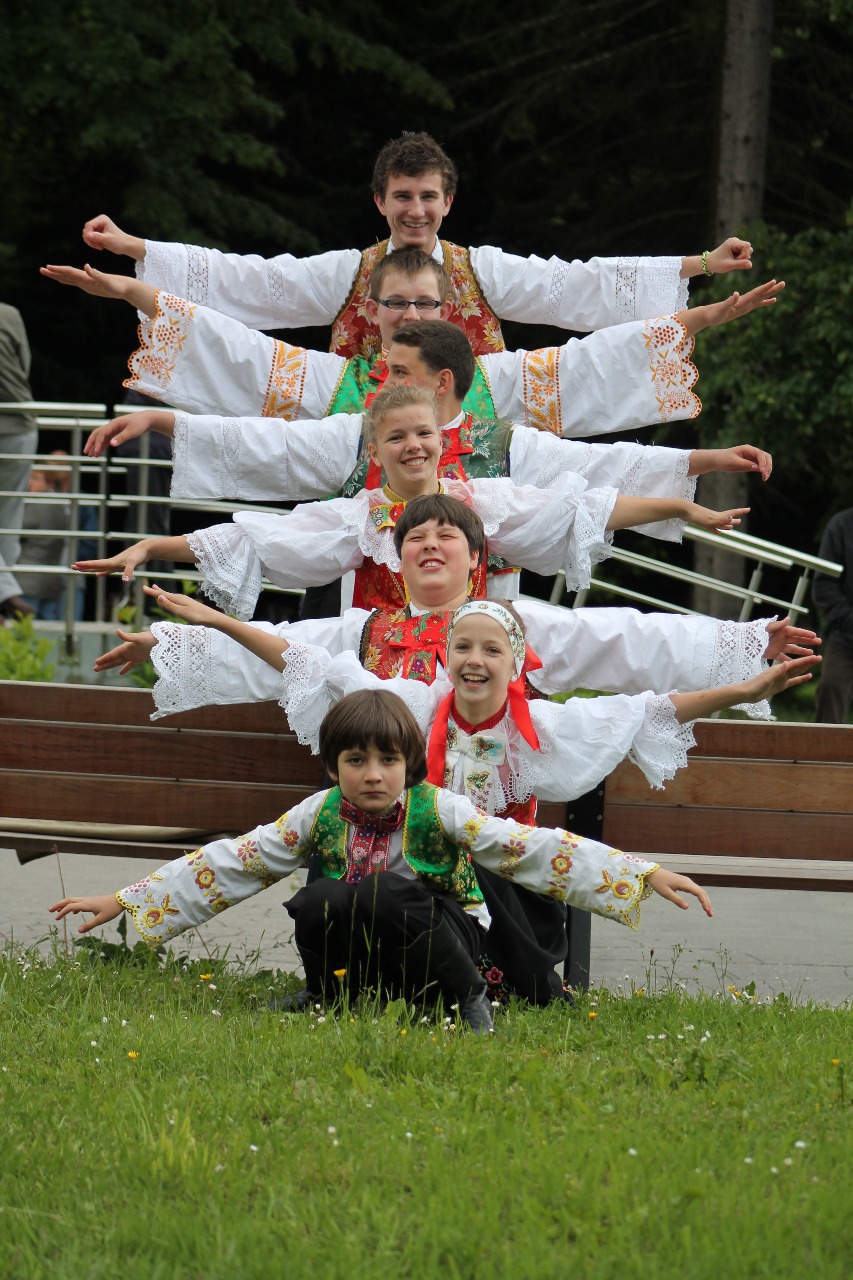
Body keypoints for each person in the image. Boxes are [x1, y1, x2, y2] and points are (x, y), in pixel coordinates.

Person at [139, 585, 816, 1004]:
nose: (474, 660)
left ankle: (492, 986)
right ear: (446, 656)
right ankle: (339, 989)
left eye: (492, 650)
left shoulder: (539, 729)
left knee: (467, 856)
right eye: (462, 646)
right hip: (406, 882)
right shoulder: (410, 707)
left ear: (515, 663)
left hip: (503, 894)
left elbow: (646, 711)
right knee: (343, 875)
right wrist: (220, 624)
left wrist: (743, 690)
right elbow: (305, 662)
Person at [49, 687, 715, 1032]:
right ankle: (329, 994)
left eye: (387, 760)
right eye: (356, 760)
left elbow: (534, 849)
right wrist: (125, 901)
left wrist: (641, 873)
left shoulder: (442, 809)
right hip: (372, 959)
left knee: (391, 891)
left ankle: (470, 1001)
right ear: (333, 766)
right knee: (318, 897)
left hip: (443, 947)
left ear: (410, 764)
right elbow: (234, 863)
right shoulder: (318, 813)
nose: (372, 774)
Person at [91, 495, 820, 727]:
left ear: (478, 561)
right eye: (415, 538)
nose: (430, 544)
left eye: (448, 536)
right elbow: (280, 645)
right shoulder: (363, 629)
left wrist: (744, 642)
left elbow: (625, 638)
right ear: (398, 559)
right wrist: (165, 642)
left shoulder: (512, 624)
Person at [71, 385, 751, 617]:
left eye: (424, 434)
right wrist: (151, 546)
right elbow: (259, 539)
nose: (414, 447)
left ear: (441, 438)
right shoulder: (361, 516)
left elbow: (581, 509)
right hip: (380, 668)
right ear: (376, 449)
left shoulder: (477, 501)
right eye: (396, 437)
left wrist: (676, 507)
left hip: (466, 670)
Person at [77, 130, 757, 358]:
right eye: (402, 196)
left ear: (448, 202)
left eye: (428, 196)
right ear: (380, 201)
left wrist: (700, 263)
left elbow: (578, 284)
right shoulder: (346, 273)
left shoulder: (483, 271)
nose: (416, 210)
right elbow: (251, 281)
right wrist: (137, 248)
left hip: (468, 464)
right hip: (367, 464)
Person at [40, 251, 784, 444]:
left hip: (470, 575)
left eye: (424, 304)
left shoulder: (491, 380)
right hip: (367, 577)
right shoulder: (339, 381)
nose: (409, 315)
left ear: (448, 308)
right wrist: (133, 286)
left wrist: (701, 312)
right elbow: (236, 341)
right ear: (371, 311)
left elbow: (593, 354)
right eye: (396, 304)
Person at [0, 302, 38, 620]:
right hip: (20, 421)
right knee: (9, 518)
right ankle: (5, 595)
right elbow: (23, 365)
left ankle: (6, 593)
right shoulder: (9, 314)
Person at [812, 506, 853, 723]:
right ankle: (823, 745)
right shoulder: (841, 525)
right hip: (846, 637)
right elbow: (823, 586)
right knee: (831, 687)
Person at [16, 468, 72, 620]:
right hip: (52, 578)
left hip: (28, 577)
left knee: (26, 626)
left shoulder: (36, 504)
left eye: (35, 478)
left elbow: (16, 529)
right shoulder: (61, 505)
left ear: (49, 482)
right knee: (49, 626)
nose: (29, 483)